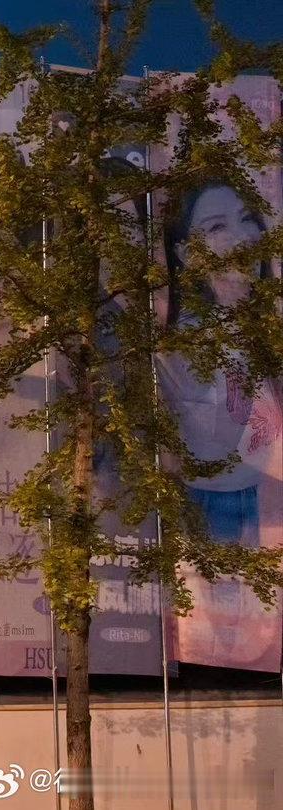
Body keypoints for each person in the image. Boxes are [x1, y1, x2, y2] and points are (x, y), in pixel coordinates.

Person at [161, 180, 282, 669]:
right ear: (187, 253)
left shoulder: (255, 332)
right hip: (206, 507)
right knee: (219, 636)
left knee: (247, 631)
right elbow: (212, 434)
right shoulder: (184, 342)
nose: (240, 236)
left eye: (247, 219)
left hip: (252, 499)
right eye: (216, 227)